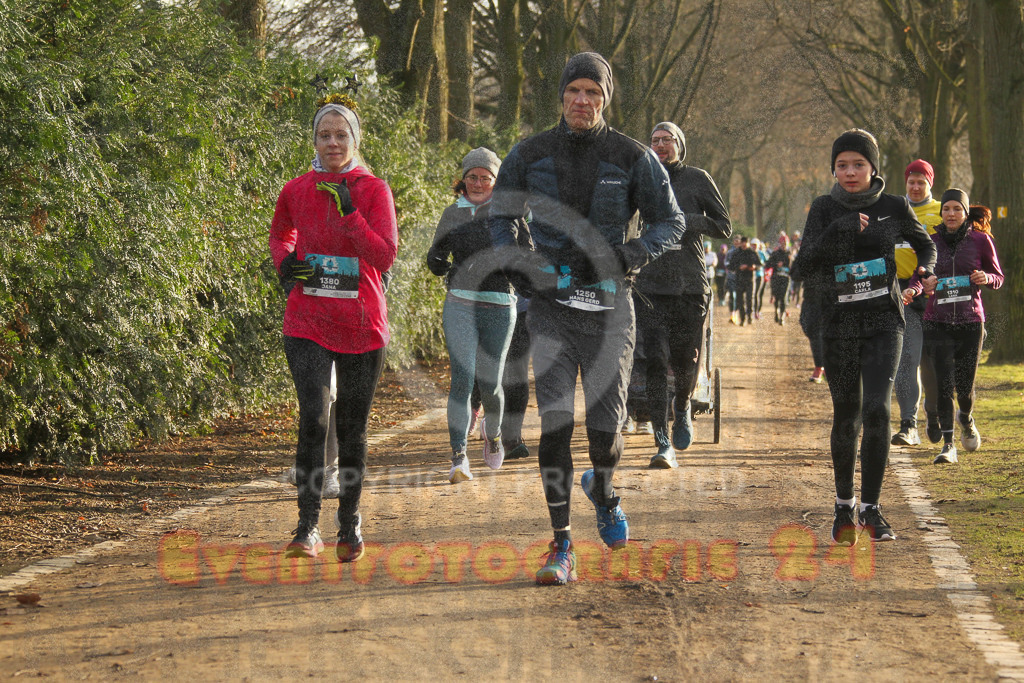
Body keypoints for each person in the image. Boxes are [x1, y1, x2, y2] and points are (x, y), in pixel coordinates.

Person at [489, 52, 685, 585]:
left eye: (593, 93)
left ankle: (603, 486)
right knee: (556, 425)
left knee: (606, 435)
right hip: (551, 308)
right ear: (561, 96)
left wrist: (633, 253)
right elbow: (500, 216)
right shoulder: (530, 153)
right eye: (574, 90)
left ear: (605, 99)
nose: (582, 100)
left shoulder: (632, 156)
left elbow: (672, 220)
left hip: (609, 307)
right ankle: (561, 544)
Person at [269, 94, 398, 560]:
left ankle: (349, 524)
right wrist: (286, 265)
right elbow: (280, 233)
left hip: (362, 323)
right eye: (324, 135)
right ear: (314, 141)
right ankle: (306, 527)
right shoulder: (295, 189)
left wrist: (349, 214)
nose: (332, 143)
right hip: (307, 319)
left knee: (352, 428)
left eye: (341, 135)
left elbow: (384, 255)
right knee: (313, 419)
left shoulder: (373, 189)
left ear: (355, 140)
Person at [792, 128, 935, 546]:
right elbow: (801, 265)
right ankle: (843, 506)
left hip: (883, 322)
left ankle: (872, 509)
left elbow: (925, 247)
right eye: (841, 166)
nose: (849, 172)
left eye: (858, 164)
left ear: (874, 168)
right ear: (833, 170)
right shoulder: (823, 207)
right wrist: (838, 228)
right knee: (847, 413)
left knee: (877, 410)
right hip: (838, 325)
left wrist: (924, 271)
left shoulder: (894, 206)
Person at [634, 121, 731, 468]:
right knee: (655, 363)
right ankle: (662, 443)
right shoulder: (640, 178)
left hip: (689, 285)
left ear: (680, 145)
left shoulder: (698, 179)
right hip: (649, 286)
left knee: (684, 362)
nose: (661, 145)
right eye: (655, 140)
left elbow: (724, 226)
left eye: (667, 140)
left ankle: (683, 405)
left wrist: (683, 220)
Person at [427, 148, 519, 483]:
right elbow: (436, 255)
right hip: (460, 303)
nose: (478, 183)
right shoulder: (453, 213)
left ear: (496, 181)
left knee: (490, 384)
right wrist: (438, 263)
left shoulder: (510, 214)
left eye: (485, 177)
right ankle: (458, 458)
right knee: (462, 381)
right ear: (463, 181)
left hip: (499, 303)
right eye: (472, 177)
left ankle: (493, 434)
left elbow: (529, 254)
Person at [911, 189, 1003, 464]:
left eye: (956, 209)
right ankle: (949, 445)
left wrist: (985, 276)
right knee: (943, 385)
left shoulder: (981, 240)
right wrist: (919, 288)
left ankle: (966, 417)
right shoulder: (931, 242)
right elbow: (921, 276)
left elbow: (998, 277)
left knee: (964, 387)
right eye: (947, 209)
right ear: (942, 213)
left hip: (971, 321)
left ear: (965, 214)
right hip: (936, 321)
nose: (951, 214)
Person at [891, 159, 943, 446]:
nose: (915, 186)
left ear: (930, 184)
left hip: (934, 294)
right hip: (903, 293)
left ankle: (933, 414)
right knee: (906, 360)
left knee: (932, 364)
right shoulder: (896, 210)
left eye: (921, 181)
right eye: (911, 181)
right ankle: (908, 423)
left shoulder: (941, 211)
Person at [729, 235, 760, 325]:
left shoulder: (752, 252)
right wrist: (739, 267)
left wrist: (751, 267)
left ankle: (749, 316)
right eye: (742, 243)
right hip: (739, 279)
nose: (743, 245)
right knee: (740, 301)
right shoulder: (736, 253)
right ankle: (742, 318)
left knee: (749, 299)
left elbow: (759, 265)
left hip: (750, 279)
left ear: (748, 243)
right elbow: (731, 266)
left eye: (745, 243)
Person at [765, 233, 792, 325]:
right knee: (777, 297)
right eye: (782, 243)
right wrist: (776, 265)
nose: (784, 245)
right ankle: (776, 311)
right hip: (776, 277)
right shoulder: (775, 253)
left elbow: (796, 266)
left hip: (786, 278)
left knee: (783, 297)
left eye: (786, 243)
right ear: (780, 244)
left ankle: (782, 317)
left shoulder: (791, 254)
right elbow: (767, 265)